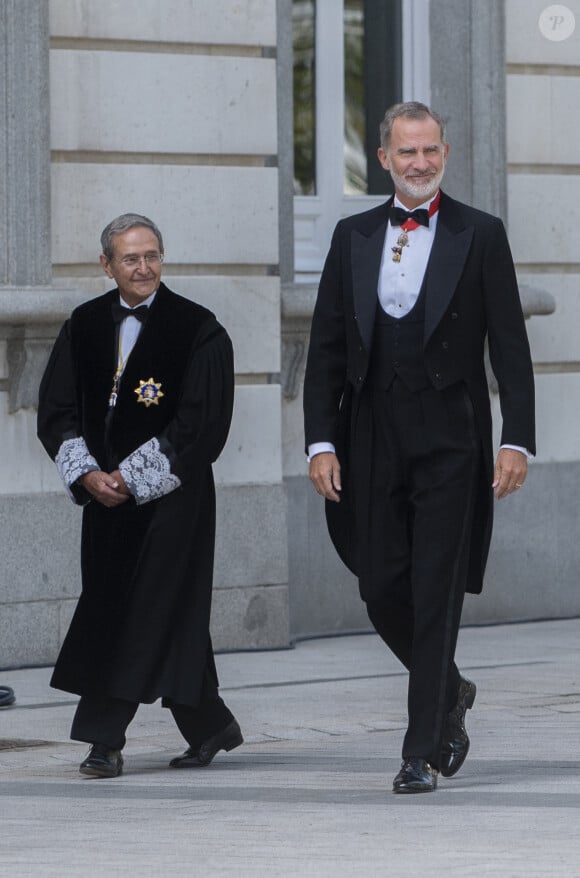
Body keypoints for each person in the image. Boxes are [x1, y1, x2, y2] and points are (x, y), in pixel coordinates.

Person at [303, 102, 535, 794]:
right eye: (407, 153)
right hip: (371, 429)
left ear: (446, 152)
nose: (420, 163)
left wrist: (516, 438)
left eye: (431, 150)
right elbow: (326, 351)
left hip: (451, 434)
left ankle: (421, 750)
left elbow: (512, 350)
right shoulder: (351, 237)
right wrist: (320, 441)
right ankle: (450, 689)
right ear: (383, 159)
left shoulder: (480, 234)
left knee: (436, 589)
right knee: (379, 588)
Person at [37, 214, 242, 778]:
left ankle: (104, 737)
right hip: (103, 502)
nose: (144, 267)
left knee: (140, 607)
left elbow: (204, 425)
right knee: (151, 608)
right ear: (107, 265)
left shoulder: (199, 329)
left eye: (151, 255)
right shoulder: (82, 325)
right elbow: (56, 411)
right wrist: (88, 477)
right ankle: (210, 723)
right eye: (130, 258)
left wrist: (132, 478)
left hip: (174, 500)